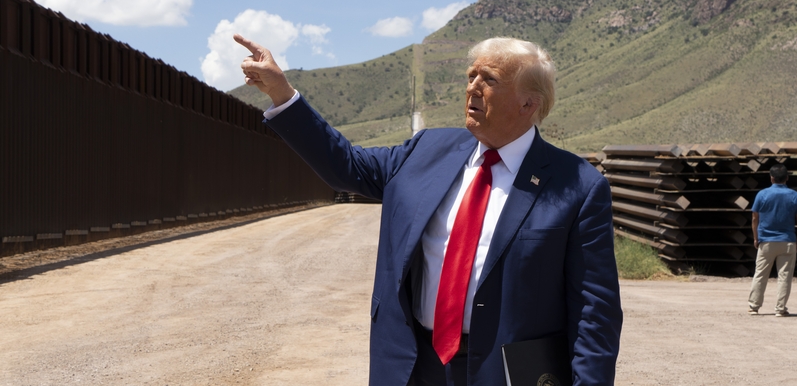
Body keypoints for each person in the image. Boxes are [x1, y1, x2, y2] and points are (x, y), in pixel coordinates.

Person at [234, 33, 622, 386]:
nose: (472, 87)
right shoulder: (426, 151)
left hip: (506, 374)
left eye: (489, 79)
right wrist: (283, 95)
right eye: (471, 76)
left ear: (528, 102)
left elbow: (595, 313)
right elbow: (346, 166)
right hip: (414, 367)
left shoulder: (578, 186)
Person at [748, 164, 797, 317]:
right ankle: (780, 309)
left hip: (767, 241)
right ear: (787, 178)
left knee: (760, 274)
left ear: (771, 178)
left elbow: (754, 217)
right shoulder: (795, 196)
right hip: (788, 241)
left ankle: (754, 306)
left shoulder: (762, 195)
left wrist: (756, 237)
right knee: (785, 276)